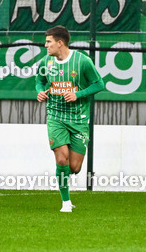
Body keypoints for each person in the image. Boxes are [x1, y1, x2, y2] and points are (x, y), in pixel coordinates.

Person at [34, 26, 105, 213]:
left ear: (60, 43)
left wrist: (78, 94)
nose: (45, 45)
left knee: (74, 166)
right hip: (55, 116)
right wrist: (39, 92)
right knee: (61, 159)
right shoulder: (46, 62)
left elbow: (99, 84)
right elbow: (39, 81)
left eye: (48, 42)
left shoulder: (82, 61)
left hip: (78, 119)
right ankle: (65, 202)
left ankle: (66, 183)